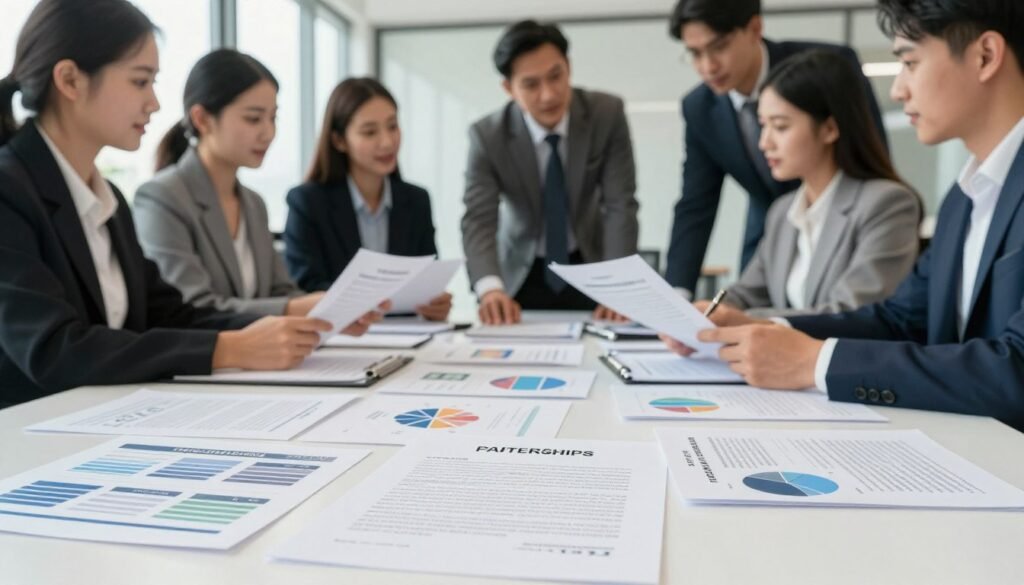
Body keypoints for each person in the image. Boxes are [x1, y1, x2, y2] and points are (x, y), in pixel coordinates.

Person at [663, 0, 1024, 430]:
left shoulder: (912, 200)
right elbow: (899, 320)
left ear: (985, 56)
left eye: (910, 62)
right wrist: (765, 325)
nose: (897, 90)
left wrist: (816, 362)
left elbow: (1015, 368)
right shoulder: (962, 200)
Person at [0, 0, 379, 408]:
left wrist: (286, 324)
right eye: (140, 82)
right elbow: (55, 350)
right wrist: (230, 349)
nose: (156, 103)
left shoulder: (107, 201)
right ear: (71, 80)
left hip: (103, 420)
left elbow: (174, 315)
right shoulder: (10, 190)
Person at [664, 0, 887, 299]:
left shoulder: (825, 67)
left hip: (844, 224)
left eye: (718, 47)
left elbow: (867, 152)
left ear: (755, 28)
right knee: (741, 308)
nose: (707, 66)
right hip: (769, 231)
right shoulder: (699, 107)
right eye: (694, 53)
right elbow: (696, 204)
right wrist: (677, 296)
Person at [718, 49, 920, 318]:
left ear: (829, 129)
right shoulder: (783, 212)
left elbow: (850, 312)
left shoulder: (886, 204)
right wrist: (708, 312)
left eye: (780, 127)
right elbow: (745, 294)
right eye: (763, 125)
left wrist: (743, 321)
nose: (764, 143)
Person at [462, 20, 639, 324]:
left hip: (592, 266)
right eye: (531, 84)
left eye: (556, 76)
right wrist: (490, 288)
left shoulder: (605, 114)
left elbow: (620, 204)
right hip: (520, 272)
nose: (548, 95)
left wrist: (618, 284)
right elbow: (479, 218)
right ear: (509, 89)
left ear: (568, 67)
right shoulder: (487, 136)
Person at [134, 49, 323, 316]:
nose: (268, 132)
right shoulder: (162, 198)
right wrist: (294, 308)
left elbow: (281, 291)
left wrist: (327, 306)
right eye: (253, 118)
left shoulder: (253, 204)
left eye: (273, 117)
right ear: (202, 119)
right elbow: (192, 306)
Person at [284, 77, 451, 321]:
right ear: (339, 141)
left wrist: (436, 304)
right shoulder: (308, 202)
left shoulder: (416, 201)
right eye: (370, 132)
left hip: (407, 337)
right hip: (339, 337)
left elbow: (425, 280)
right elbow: (306, 288)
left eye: (392, 126)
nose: (387, 141)